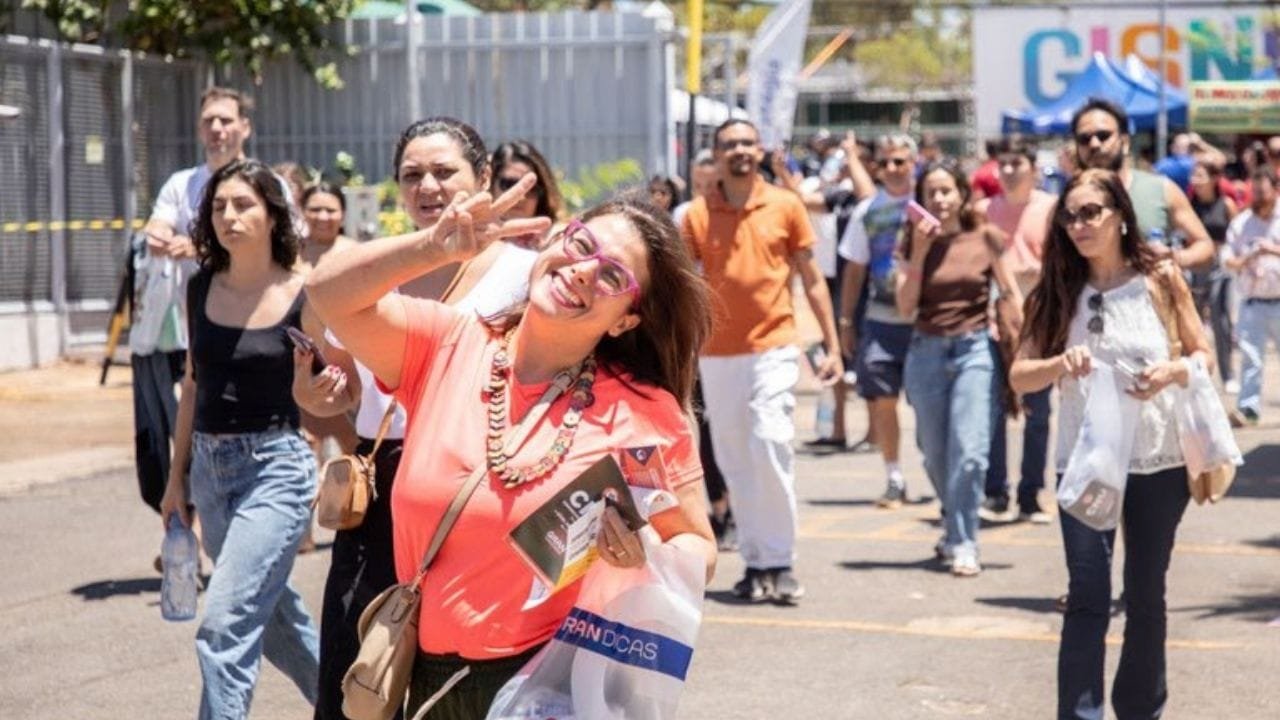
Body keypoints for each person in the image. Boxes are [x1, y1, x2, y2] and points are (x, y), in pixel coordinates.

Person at [306, 187, 718, 718]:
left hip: (553, 686)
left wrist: (648, 555)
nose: (583, 270)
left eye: (613, 275)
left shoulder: (643, 412)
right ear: (553, 241)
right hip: (428, 678)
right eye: (581, 243)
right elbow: (327, 294)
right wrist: (434, 247)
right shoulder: (445, 343)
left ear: (625, 320)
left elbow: (697, 545)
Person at [297, 117, 538, 720]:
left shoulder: (526, 272)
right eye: (411, 175)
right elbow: (336, 390)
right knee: (360, 676)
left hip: (482, 486)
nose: (427, 185)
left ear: (482, 177)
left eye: (443, 171)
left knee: (460, 671)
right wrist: (320, 394)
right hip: (385, 486)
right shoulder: (374, 267)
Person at [1010, 168, 1209, 720]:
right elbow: (1021, 374)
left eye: (1092, 212)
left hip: (1158, 458)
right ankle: (1080, 713)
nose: (1080, 225)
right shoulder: (1057, 289)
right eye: (1070, 216)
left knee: (1146, 594)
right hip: (1087, 462)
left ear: (1121, 215)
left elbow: (1202, 353)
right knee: (1088, 595)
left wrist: (1173, 372)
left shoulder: (1160, 279)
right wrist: (1059, 364)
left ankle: (1140, 708)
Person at [158, 159, 323, 719]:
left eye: (243, 204)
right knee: (276, 619)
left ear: (273, 213)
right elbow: (193, 383)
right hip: (209, 468)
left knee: (225, 624)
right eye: (219, 206)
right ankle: (352, 710)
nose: (228, 216)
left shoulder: (306, 291)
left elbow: (332, 390)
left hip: (276, 465)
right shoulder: (200, 283)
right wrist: (175, 480)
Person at [682, 119, 842, 604]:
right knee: (734, 458)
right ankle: (755, 563)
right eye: (729, 144)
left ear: (760, 150)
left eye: (747, 143)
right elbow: (686, 286)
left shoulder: (786, 204)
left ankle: (781, 559)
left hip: (774, 346)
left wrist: (832, 346)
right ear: (716, 154)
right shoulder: (694, 215)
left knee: (770, 442)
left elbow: (813, 280)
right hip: (716, 355)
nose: (740, 151)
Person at [133, 86, 251, 526]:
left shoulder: (263, 183)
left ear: (244, 127)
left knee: (222, 427)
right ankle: (184, 526)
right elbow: (158, 222)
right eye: (209, 121)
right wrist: (159, 234)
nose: (217, 129)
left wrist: (202, 247)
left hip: (242, 329)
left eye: (225, 120)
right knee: (176, 431)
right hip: (183, 331)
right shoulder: (181, 184)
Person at [897, 161, 1022, 577]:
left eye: (947, 191)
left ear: (962, 195)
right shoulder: (911, 240)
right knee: (935, 455)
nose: (940, 199)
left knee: (969, 453)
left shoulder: (985, 237)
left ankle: (965, 541)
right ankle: (954, 520)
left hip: (974, 351)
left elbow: (1008, 292)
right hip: (925, 350)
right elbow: (904, 305)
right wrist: (917, 251)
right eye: (931, 191)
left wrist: (1020, 340)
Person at [975, 134, 1057, 524]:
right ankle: (995, 493)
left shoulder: (1052, 209)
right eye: (1002, 164)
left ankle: (1030, 494)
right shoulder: (981, 211)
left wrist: (1034, 273)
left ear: (1034, 169)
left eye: (1016, 164)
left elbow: (1065, 264)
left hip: (1040, 325)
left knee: (1037, 412)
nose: (1007, 171)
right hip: (993, 324)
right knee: (992, 409)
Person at [837, 134, 919, 508]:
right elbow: (855, 269)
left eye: (899, 161)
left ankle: (938, 469)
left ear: (913, 163)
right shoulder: (866, 211)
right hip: (881, 322)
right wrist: (845, 321)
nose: (891, 169)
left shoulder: (932, 203)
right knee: (883, 400)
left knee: (929, 406)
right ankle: (894, 476)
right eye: (885, 163)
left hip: (927, 323)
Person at [1071, 98, 1214, 269]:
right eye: (1084, 139)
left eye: (1103, 136)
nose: (1094, 144)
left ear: (1124, 142)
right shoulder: (1067, 204)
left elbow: (1205, 246)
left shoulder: (1161, 189)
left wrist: (1174, 258)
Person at [1225, 166, 1280, 427]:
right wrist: (1247, 258)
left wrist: (1274, 250)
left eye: (1264, 193)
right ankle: (1248, 409)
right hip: (1253, 302)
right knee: (1251, 358)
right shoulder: (1241, 223)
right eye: (1255, 193)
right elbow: (1228, 261)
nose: (1259, 198)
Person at [1188, 158, 1239, 393]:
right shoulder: (1190, 205)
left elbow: (1237, 235)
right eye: (1193, 176)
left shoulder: (1226, 204)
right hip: (1197, 269)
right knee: (1193, 323)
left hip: (1221, 268)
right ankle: (1197, 373)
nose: (1195, 181)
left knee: (1220, 321)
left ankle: (1228, 374)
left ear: (1214, 179)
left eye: (1200, 175)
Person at [489, 140, 565, 248]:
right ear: (490, 183)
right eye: (509, 184)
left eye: (532, 188)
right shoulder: (470, 234)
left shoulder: (558, 240)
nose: (521, 196)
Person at [673, 149, 717, 228]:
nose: (704, 192)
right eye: (697, 186)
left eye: (710, 186)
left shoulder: (730, 214)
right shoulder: (682, 214)